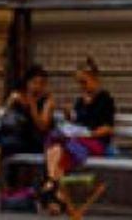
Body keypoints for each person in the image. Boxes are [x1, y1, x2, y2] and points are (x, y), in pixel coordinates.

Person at [0, 71, 54, 213]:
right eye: (34, 83)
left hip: (33, 140)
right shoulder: (17, 96)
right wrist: (10, 103)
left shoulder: (47, 100)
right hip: (14, 137)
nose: (37, 87)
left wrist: (33, 106)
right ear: (27, 83)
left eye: (41, 83)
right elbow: (0, 118)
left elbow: (42, 127)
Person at [47, 58, 116, 190]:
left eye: (84, 82)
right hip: (77, 140)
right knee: (56, 146)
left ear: (94, 78)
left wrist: (89, 133)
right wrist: (69, 118)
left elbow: (108, 128)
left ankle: (52, 187)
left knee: (61, 149)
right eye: (79, 83)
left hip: (95, 141)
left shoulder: (105, 99)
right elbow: (78, 122)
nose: (82, 86)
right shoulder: (80, 101)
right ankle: (55, 191)